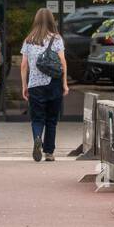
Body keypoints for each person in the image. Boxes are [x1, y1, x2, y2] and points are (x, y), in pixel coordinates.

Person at [19, 8, 69, 162]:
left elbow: (23, 65)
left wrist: (24, 85)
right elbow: (62, 62)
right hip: (53, 83)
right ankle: (49, 152)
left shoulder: (29, 40)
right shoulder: (57, 38)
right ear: (51, 21)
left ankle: (37, 138)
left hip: (35, 85)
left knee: (37, 119)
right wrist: (65, 83)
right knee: (52, 120)